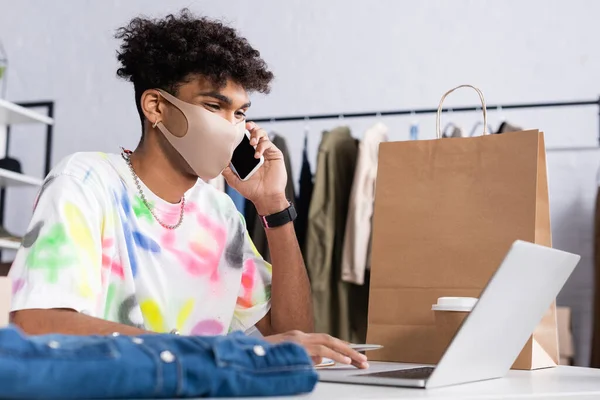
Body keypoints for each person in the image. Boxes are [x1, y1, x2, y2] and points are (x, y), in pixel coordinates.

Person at [8, 9, 368, 369]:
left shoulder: (221, 214)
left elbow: (295, 336)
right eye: (214, 106)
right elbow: (36, 325)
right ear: (156, 107)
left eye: (240, 114)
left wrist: (274, 205)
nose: (232, 128)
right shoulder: (85, 181)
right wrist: (220, 353)